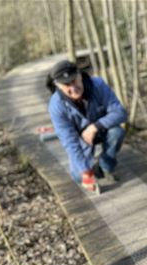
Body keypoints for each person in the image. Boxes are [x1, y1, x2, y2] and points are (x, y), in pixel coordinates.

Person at [46, 60, 127, 192]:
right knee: (78, 177)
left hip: (102, 129)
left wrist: (95, 126)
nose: (73, 87)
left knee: (117, 132)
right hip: (80, 139)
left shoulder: (98, 85)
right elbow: (69, 142)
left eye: (74, 81)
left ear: (80, 75)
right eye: (67, 85)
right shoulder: (56, 106)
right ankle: (90, 169)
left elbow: (120, 113)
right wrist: (86, 172)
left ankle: (105, 166)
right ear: (58, 86)